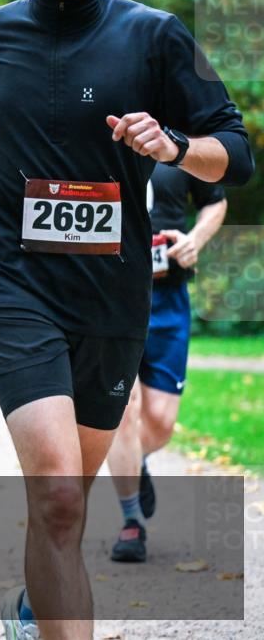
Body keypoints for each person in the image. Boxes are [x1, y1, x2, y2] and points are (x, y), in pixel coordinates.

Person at [0, 0, 253, 638]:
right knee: (60, 497)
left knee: (67, 503)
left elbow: (234, 154)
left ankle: (35, 608)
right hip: (13, 285)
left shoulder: (156, 36)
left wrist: (174, 146)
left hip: (111, 298)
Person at [106, 163, 227, 563]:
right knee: (124, 410)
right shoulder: (103, 129)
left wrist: (195, 239)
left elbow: (215, 201)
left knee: (159, 423)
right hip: (111, 298)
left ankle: (134, 459)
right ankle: (131, 520)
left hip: (168, 299)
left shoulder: (184, 137)